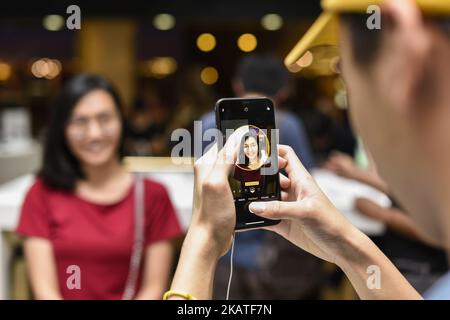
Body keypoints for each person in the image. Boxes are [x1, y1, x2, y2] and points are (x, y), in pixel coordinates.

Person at [165, 0, 450, 300]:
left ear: (403, 55)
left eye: (346, 78)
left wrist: (204, 240)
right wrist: (348, 248)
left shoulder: (206, 121)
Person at [16, 74, 182, 300]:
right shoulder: (41, 194)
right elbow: (45, 292)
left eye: (105, 119)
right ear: (62, 128)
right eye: (80, 121)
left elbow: (154, 288)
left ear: (122, 121)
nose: (94, 134)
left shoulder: (153, 196)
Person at [200, 54, 321, 300]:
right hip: (270, 254)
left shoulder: (206, 122)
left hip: (220, 251)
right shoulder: (289, 124)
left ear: (237, 85)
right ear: (284, 91)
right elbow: (307, 183)